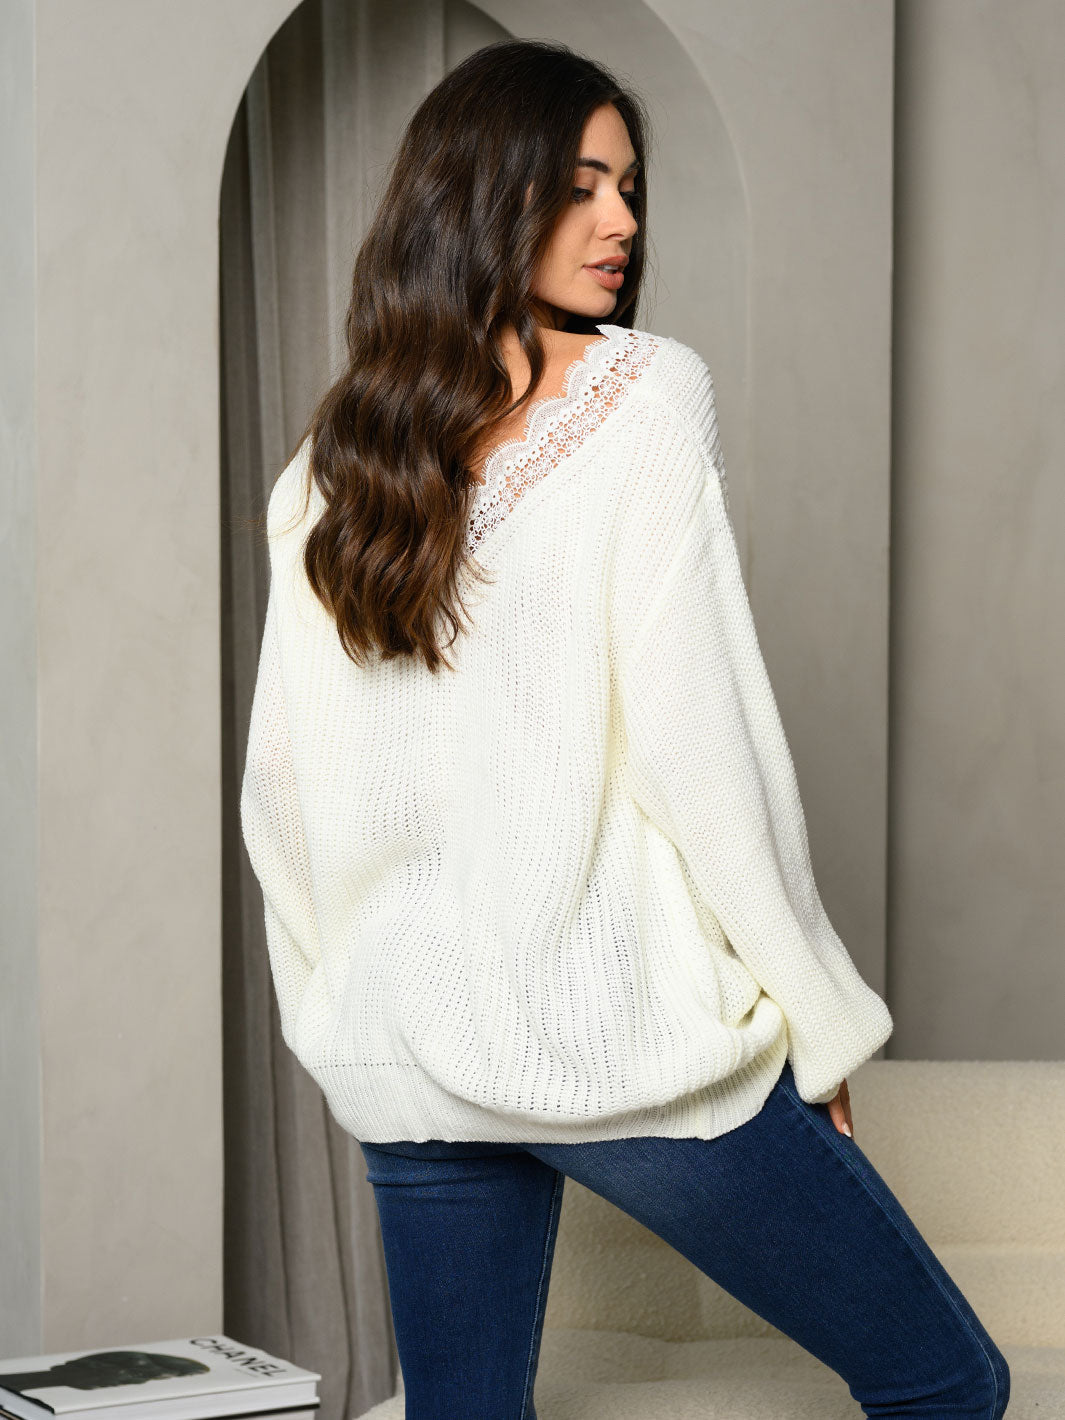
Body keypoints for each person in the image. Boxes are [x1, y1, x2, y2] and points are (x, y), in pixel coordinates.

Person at [240, 37, 1011, 1420]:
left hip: (407, 1050)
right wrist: (819, 1020)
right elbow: (702, 752)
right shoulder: (641, 398)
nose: (621, 222)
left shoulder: (328, 468)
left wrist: (341, 1009)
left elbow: (281, 798)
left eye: (631, 187)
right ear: (482, 195)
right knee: (949, 1385)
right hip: (617, 1045)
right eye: (581, 183)